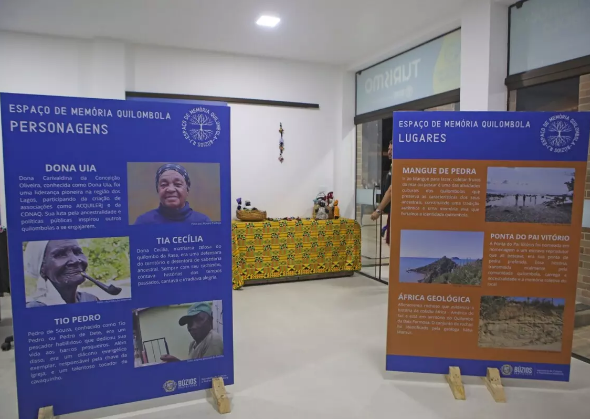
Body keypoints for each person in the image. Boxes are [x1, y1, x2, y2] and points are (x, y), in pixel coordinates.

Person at [25, 240, 99, 307]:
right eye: (60, 254)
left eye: (77, 252)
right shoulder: (35, 309)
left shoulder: (91, 300)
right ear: (42, 269)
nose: (75, 260)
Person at [134, 163, 211, 224]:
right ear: (158, 190)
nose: (170, 189)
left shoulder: (203, 221)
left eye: (177, 184)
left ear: (187, 189)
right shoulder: (144, 222)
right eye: (164, 185)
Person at [372, 141, 393, 244]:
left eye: (392, 150)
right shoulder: (392, 165)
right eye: (388, 149)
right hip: (391, 212)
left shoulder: (397, 167)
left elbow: (391, 191)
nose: (389, 152)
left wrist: (378, 210)